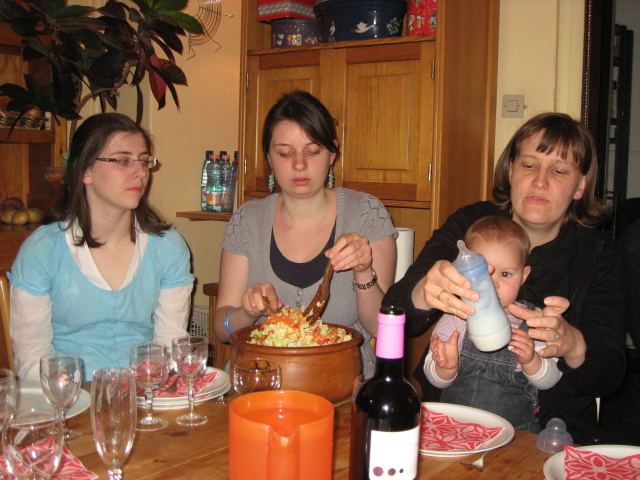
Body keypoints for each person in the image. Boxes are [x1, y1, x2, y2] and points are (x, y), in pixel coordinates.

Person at [384, 112, 626, 444]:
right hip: (449, 423)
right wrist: (424, 292)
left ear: (581, 185)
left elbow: (608, 376)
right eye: (529, 165)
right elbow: (394, 312)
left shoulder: (599, 256)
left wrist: (573, 344)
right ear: (511, 170)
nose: (540, 181)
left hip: (550, 438)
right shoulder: (469, 225)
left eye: (559, 171)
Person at [214, 90, 397, 377]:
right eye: (285, 153)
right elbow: (222, 329)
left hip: (343, 386)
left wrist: (364, 272)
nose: (299, 164)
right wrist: (247, 312)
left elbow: (381, 329)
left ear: (332, 153)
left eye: (313, 151)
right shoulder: (247, 220)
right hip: (259, 383)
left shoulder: (366, 214)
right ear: (269, 158)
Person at [9, 113, 194, 381]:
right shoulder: (43, 250)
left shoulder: (168, 247)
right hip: (69, 395)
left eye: (144, 161)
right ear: (85, 171)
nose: (141, 172)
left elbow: (169, 347)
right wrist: (72, 398)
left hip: (145, 392)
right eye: (123, 160)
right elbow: (32, 359)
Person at [425, 216, 562, 432]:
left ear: (523, 275)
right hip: (455, 430)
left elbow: (551, 380)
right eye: (482, 273)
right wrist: (444, 367)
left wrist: (532, 361)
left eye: (505, 274)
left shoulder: (534, 321)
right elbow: (434, 379)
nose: (493, 284)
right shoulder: (455, 318)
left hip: (514, 435)